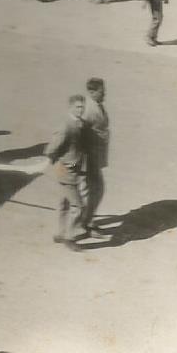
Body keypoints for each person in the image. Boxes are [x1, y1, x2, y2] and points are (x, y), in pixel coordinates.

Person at [45, 94, 88, 251]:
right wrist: (58, 161)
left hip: (72, 169)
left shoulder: (80, 123)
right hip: (66, 170)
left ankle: (60, 233)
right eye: (78, 107)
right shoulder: (66, 125)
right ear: (70, 107)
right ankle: (70, 238)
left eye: (82, 107)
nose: (81, 110)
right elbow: (52, 148)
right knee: (78, 206)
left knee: (64, 202)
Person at [81, 78, 111, 239]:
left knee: (93, 190)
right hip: (89, 157)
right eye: (101, 91)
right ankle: (85, 224)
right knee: (96, 189)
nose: (104, 93)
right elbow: (79, 133)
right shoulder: (88, 109)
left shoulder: (96, 105)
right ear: (92, 92)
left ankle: (86, 221)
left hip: (96, 156)